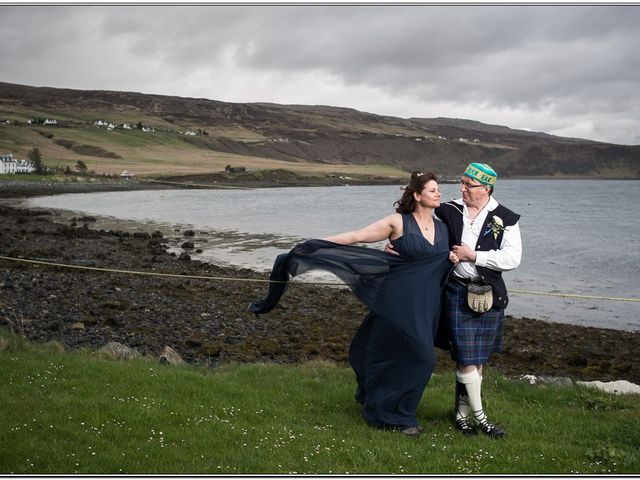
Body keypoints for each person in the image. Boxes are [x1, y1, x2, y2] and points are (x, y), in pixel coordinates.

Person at [249, 172, 458, 436]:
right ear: (417, 196)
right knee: (424, 359)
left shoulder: (443, 227)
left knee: (405, 356)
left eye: (438, 189)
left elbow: (443, 257)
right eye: (432, 190)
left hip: (427, 304)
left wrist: (452, 257)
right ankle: (397, 417)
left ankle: (386, 403)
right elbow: (356, 236)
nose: (438, 193)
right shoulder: (398, 222)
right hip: (397, 298)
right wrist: (316, 244)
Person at [388, 163, 522, 438]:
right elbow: (418, 222)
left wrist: (475, 256)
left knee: (478, 360)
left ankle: (461, 415)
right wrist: (398, 243)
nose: (462, 189)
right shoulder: (450, 209)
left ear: (485, 189)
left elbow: (513, 259)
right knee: (465, 359)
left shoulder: (506, 218)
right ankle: (481, 418)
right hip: (456, 291)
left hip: (489, 294)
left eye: (468, 185)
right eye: (462, 182)